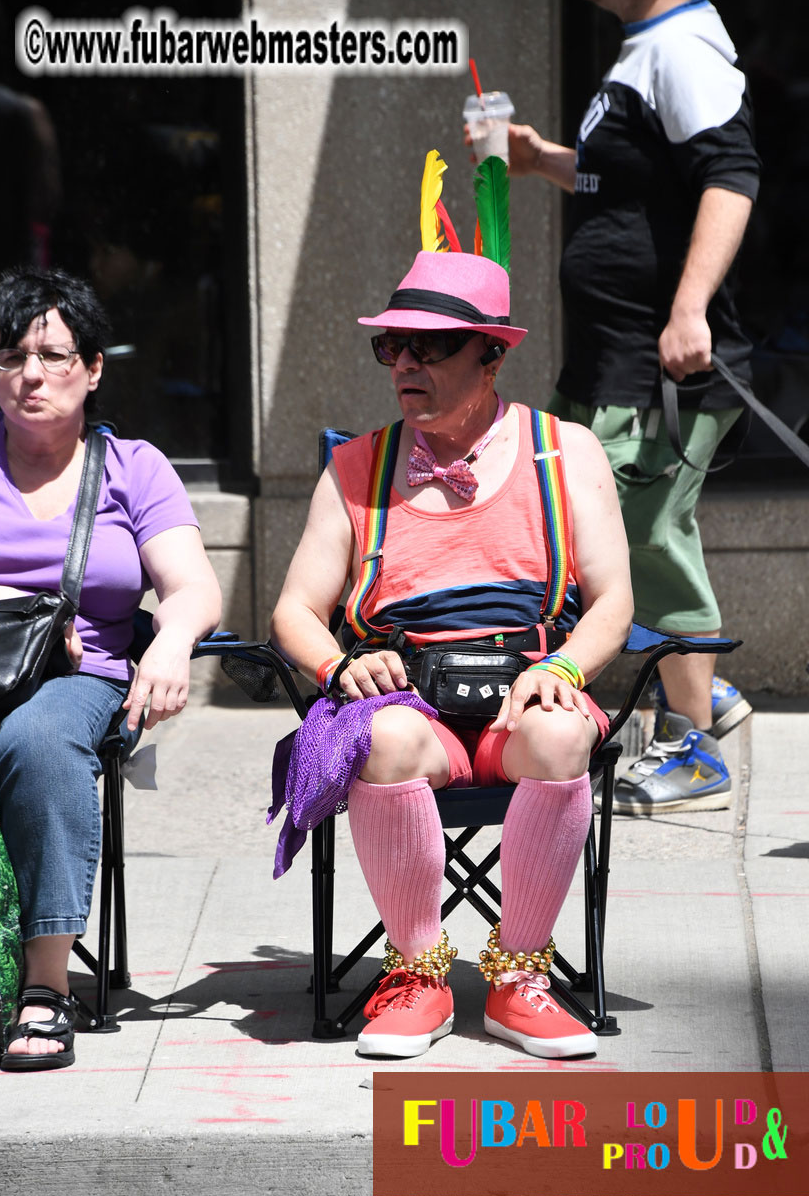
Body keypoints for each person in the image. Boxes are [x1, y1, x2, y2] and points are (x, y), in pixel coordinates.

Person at [270, 249, 633, 1060]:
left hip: (525, 690)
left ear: (491, 356)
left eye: (429, 347)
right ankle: (418, 975)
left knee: (562, 733)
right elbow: (294, 609)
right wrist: (339, 668)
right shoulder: (356, 466)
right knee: (382, 736)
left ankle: (519, 978)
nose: (405, 363)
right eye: (391, 345)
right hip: (408, 701)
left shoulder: (565, 451)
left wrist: (563, 669)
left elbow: (614, 603)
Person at [503, 0, 760, 813]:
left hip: (654, 377)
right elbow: (629, 182)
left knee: (646, 543)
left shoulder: (683, 48)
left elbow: (731, 175)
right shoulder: (646, 46)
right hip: (604, 367)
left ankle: (695, 752)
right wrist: (546, 160)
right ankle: (700, 689)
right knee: (587, 539)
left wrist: (689, 309)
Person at [0, 266, 222, 1071]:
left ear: (92, 369)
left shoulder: (133, 467)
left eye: (53, 356)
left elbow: (195, 586)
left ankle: (45, 989)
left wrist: (171, 640)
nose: (30, 375)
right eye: (12, 355)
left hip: (79, 679)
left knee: (37, 742)